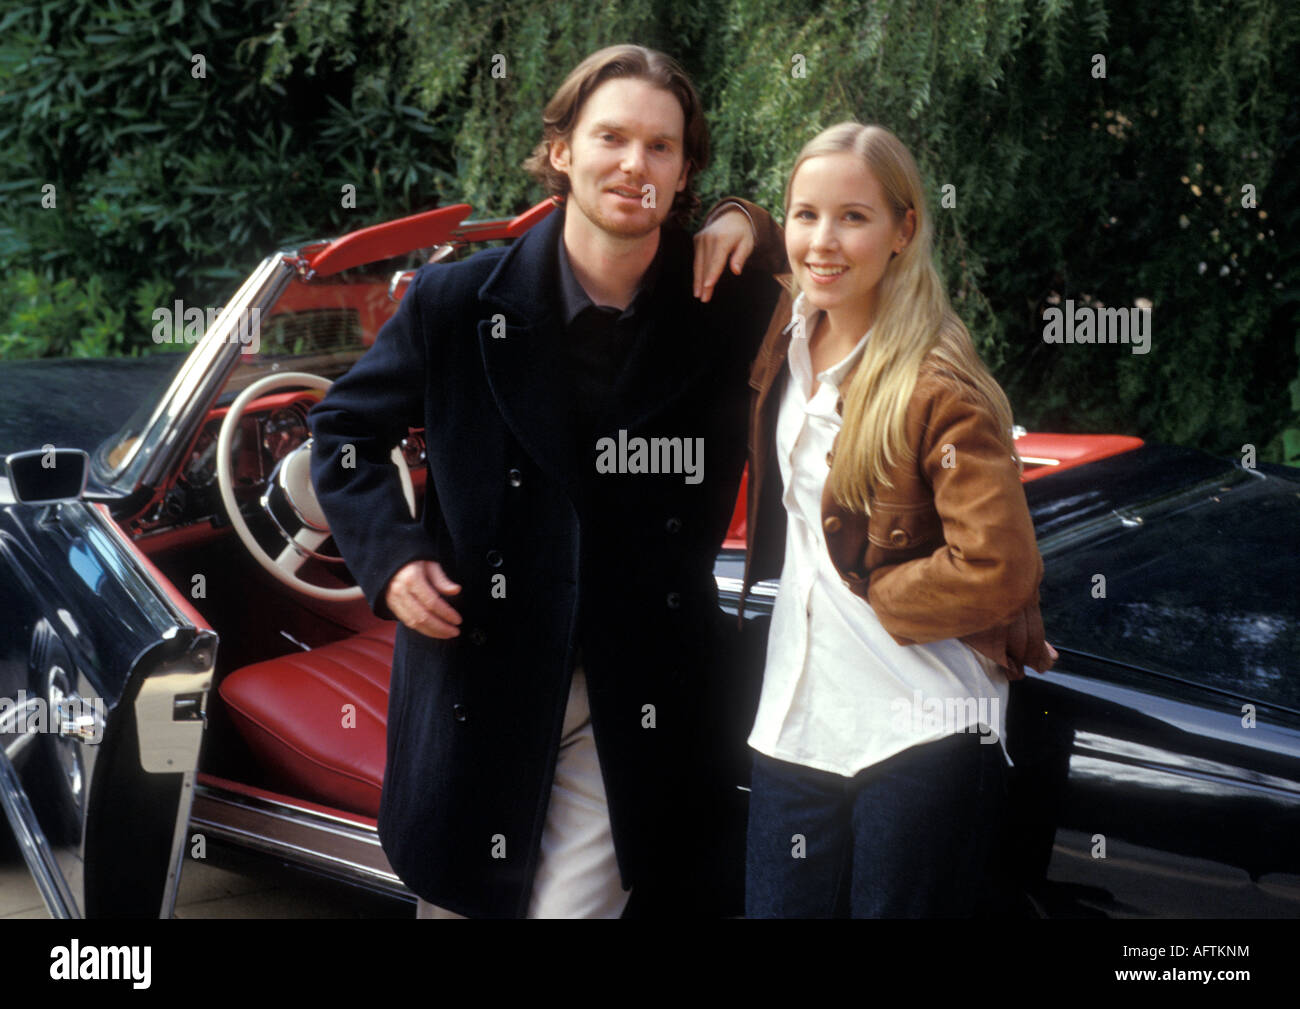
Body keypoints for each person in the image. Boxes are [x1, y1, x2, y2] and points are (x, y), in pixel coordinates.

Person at [307, 44, 784, 918]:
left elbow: (850, 239)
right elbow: (341, 430)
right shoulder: (453, 304)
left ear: (685, 174)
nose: (634, 164)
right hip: (477, 676)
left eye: (662, 147)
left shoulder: (726, 300)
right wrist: (392, 556)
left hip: (636, 689)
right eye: (612, 137)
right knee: (458, 900)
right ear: (562, 151)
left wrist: (750, 218)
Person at [737, 122, 1058, 918]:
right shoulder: (788, 332)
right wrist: (734, 218)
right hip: (795, 719)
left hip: (917, 728)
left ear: (903, 229)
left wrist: (885, 597)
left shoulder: (937, 381)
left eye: (854, 216)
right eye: (803, 214)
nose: (822, 240)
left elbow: (1001, 566)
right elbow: (669, 235)